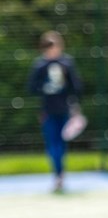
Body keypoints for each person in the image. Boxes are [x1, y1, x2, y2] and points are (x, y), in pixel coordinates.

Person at [27, 30, 83, 193]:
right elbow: (31, 88)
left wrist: (75, 106)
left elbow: (76, 86)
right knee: (52, 144)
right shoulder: (39, 65)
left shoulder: (67, 63)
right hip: (47, 110)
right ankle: (58, 173)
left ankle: (60, 174)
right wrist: (45, 88)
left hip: (64, 109)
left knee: (61, 143)